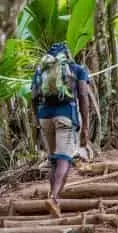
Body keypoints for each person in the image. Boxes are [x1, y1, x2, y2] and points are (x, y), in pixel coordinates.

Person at [31, 42, 90, 216]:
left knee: (54, 159)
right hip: (66, 116)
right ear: (67, 54)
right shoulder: (77, 69)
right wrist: (85, 125)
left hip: (44, 117)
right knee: (65, 158)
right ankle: (54, 197)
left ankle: (53, 199)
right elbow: (84, 96)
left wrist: (37, 120)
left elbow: (33, 97)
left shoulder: (40, 71)